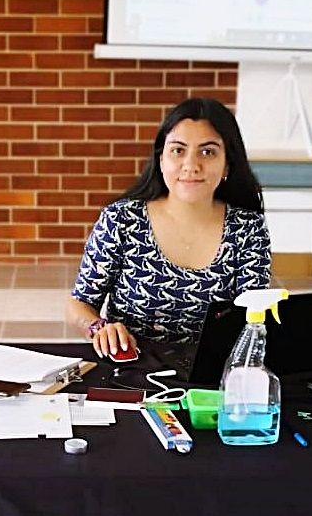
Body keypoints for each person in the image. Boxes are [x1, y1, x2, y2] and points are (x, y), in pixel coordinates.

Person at [67, 97, 272, 357]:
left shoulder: (247, 229)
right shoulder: (121, 220)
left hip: (212, 376)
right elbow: (80, 303)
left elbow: (253, 318)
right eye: (178, 150)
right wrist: (99, 327)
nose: (191, 165)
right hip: (132, 369)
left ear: (227, 165)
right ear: (161, 159)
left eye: (207, 152)